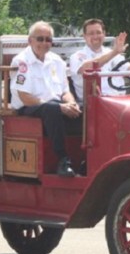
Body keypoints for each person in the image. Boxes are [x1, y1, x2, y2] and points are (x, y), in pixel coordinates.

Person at [10, 21, 81, 177]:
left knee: (86, 109)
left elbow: (65, 91)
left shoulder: (57, 61)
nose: (44, 43)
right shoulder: (21, 62)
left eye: (48, 39)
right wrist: (60, 107)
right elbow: (24, 97)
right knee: (52, 109)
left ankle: (85, 159)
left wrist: (71, 103)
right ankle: (63, 160)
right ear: (30, 41)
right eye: (40, 39)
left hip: (54, 105)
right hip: (29, 108)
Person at [69, 18, 130, 101]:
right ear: (84, 36)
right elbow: (86, 68)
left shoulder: (112, 53)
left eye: (98, 32)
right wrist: (114, 52)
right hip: (94, 104)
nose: (95, 36)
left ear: (104, 34)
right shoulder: (76, 56)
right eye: (91, 33)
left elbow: (127, 67)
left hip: (120, 101)